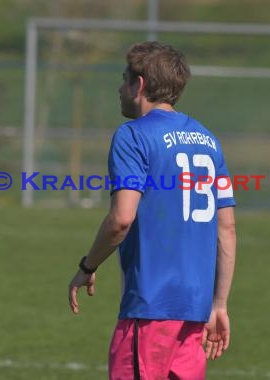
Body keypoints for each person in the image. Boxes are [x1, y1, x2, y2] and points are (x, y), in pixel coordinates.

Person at [68, 41, 236, 380]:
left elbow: (121, 219)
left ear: (139, 84)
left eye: (124, 78)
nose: (120, 88)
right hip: (195, 310)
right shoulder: (208, 139)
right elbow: (226, 228)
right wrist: (219, 304)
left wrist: (88, 265)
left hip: (151, 307)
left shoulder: (133, 136)